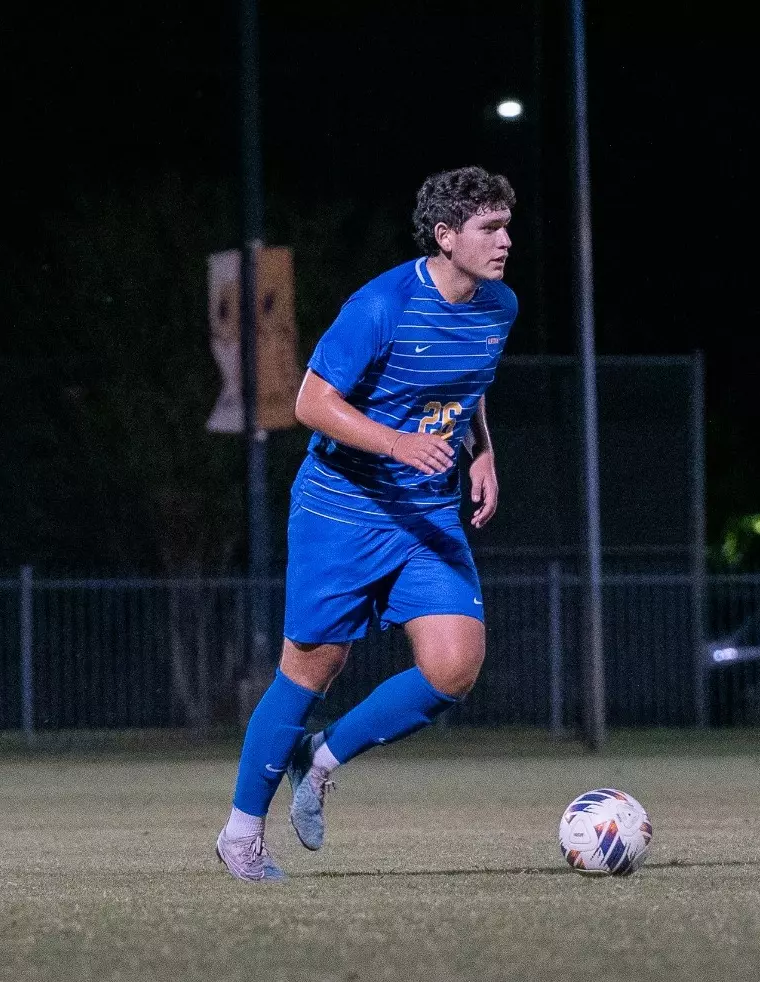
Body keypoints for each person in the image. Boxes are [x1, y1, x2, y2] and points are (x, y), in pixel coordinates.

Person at [215, 166, 516, 881]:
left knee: (453, 666)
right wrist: (398, 443)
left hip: (426, 509)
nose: (505, 241)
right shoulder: (379, 306)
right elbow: (310, 403)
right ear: (445, 236)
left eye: (507, 226)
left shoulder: (498, 306)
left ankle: (320, 757)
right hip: (342, 510)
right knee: (313, 667)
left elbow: (467, 387)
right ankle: (239, 836)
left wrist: (483, 452)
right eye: (489, 228)